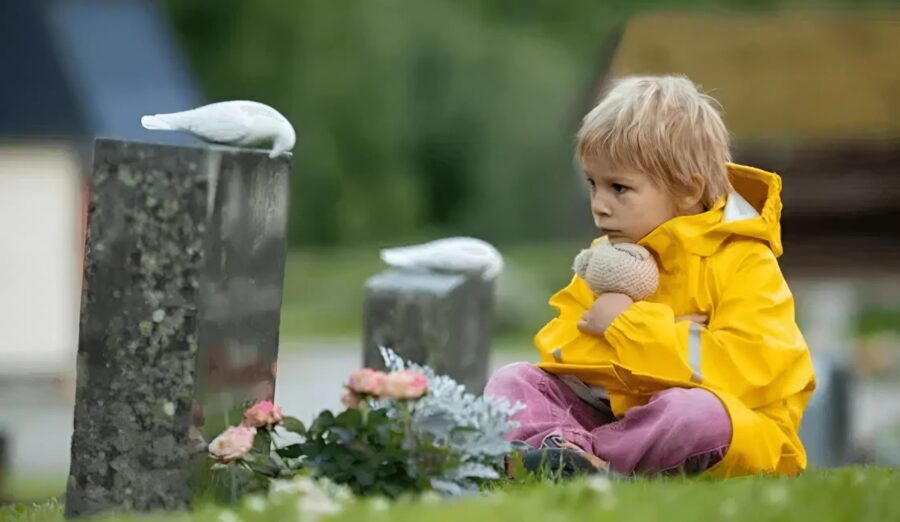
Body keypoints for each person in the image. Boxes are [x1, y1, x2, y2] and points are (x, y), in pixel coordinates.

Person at [486, 75, 815, 478]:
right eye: (593, 184)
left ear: (689, 189)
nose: (599, 207)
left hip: (732, 428)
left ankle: (572, 459)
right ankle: (571, 458)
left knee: (695, 412)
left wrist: (625, 326)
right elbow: (558, 351)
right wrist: (677, 337)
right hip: (616, 419)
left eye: (619, 188)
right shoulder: (606, 257)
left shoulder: (744, 261)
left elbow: (750, 370)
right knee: (515, 381)